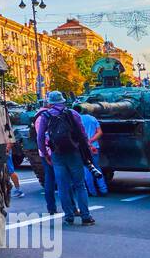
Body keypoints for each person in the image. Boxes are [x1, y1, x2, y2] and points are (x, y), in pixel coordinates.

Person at [34, 90, 101, 225]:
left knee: (63, 187)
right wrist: (87, 149)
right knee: (80, 185)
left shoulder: (45, 116)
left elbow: (40, 137)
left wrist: (45, 154)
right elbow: (82, 134)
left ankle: (69, 217)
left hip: (57, 154)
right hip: (74, 153)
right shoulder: (73, 113)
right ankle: (86, 217)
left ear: (50, 103)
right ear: (63, 101)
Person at [79, 108, 107, 196]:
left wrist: (86, 142)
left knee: (87, 168)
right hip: (94, 147)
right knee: (96, 167)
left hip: (83, 148)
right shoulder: (92, 118)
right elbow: (99, 132)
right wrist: (91, 141)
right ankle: (103, 189)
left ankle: (92, 191)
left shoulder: (76, 119)